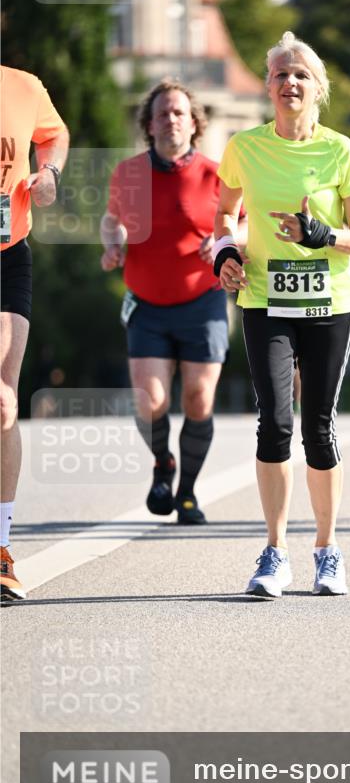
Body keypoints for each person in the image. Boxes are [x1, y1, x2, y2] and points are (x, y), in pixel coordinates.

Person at [215, 31, 350, 597]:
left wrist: (323, 234)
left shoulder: (340, 151)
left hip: (330, 304)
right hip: (265, 302)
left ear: (317, 89)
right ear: (268, 86)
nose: (290, 83)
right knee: (274, 423)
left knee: (319, 427)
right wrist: (227, 254)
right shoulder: (243, 148)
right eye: (281, 74)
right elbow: (224, 217)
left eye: (300, 75)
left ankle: (328, 551)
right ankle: (274, 551)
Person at [100, 78, 229, 524]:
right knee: (149, 400)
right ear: (149, 126)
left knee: (198, 398)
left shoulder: (218, 175)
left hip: (204, 302)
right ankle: (162, 464)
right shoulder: (129, 173)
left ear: (194, 123)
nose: (170, 119)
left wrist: (225, 243)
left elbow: (245, 226)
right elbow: (111, 220)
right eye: (161, 113)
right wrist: (112, 244)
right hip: (148, 305)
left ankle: (188, 493)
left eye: (178, 112)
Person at [1, 65, 69, 602]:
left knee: (3, 402)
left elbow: (54, 133)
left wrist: (50, 175)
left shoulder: (21, 86)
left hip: (6, 257)